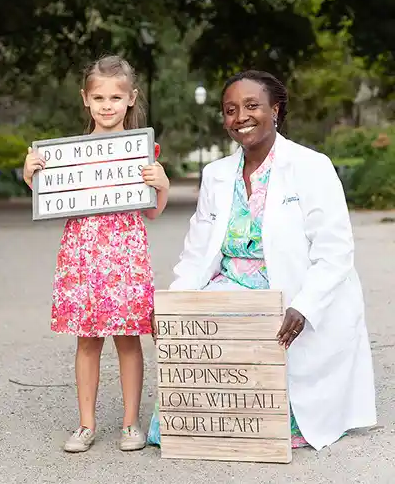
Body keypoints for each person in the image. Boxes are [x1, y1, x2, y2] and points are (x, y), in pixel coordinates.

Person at [154, 70, 377, 451]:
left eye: (252, 106)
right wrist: (174, 307)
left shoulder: (311, 167)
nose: (240, 116)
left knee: (275, 405)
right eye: (230, 109)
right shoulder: (216, 175)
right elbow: (197, 251)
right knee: (193, 411)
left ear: (276, 109)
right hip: (232, 291)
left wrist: (304, 305)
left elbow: (335, 252)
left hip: (293, 292)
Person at [23, 55, 169, 453]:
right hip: (82, 255)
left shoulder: (141, 151)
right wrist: (32, 176)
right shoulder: (66, 155)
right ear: (85, 99)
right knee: (86, 340)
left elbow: (153, 211)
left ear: (131, 99)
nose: (108, 105)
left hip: (124, 254)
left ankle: (129, 424)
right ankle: (86, 424)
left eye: (116, 97)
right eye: (99, 96)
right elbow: (51, 204)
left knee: (127, 338)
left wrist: (163, 184)